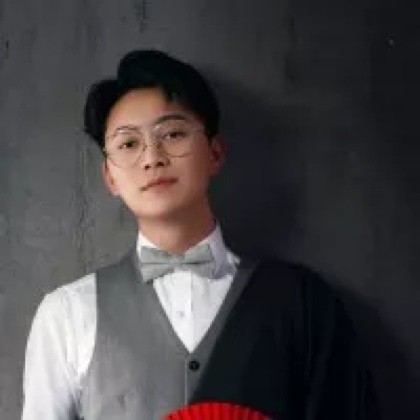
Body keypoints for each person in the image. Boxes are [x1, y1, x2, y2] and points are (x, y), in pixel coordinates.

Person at [22, 50, 379, 420]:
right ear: (110, 177)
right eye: (129, 144)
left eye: (173, 134)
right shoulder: (66, 314)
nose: (152, 158)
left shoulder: (301, 302)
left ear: (215, 152)